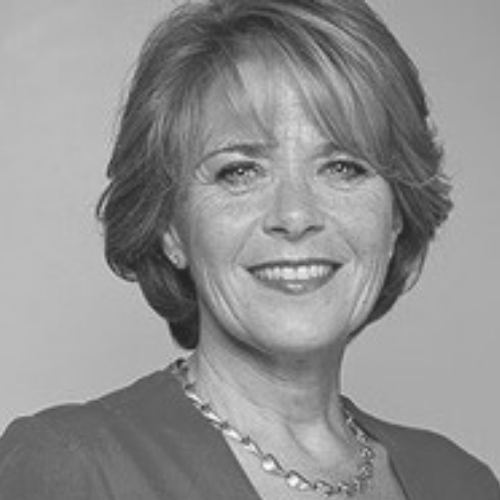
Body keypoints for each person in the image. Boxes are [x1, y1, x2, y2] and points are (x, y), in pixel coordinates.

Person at [0, 0, 498, 498]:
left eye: (343, 167)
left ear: (395, 217)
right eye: (239, 171)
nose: (296, 216)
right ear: (170, 227)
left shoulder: (462, 483)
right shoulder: (71, 468)